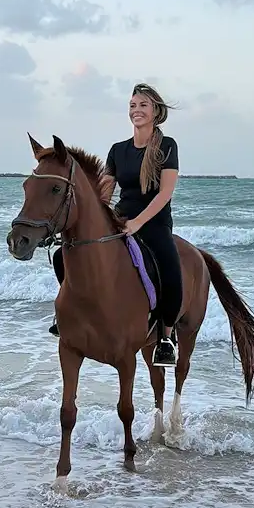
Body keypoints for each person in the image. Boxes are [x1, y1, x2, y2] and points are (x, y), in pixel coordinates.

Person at [50, 82, 182, 368]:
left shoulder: (166, 147)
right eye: (132, 105)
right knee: (64, 255)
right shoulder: (117, 150)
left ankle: (166, 339)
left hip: (154, 222)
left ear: (156, 111)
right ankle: (69, 317)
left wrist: (138, 223)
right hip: (121, 219)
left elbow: (165, 193)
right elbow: (105, 193)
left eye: (143, 105)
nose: (136, 110)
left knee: (171, 269)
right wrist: (92, 220)